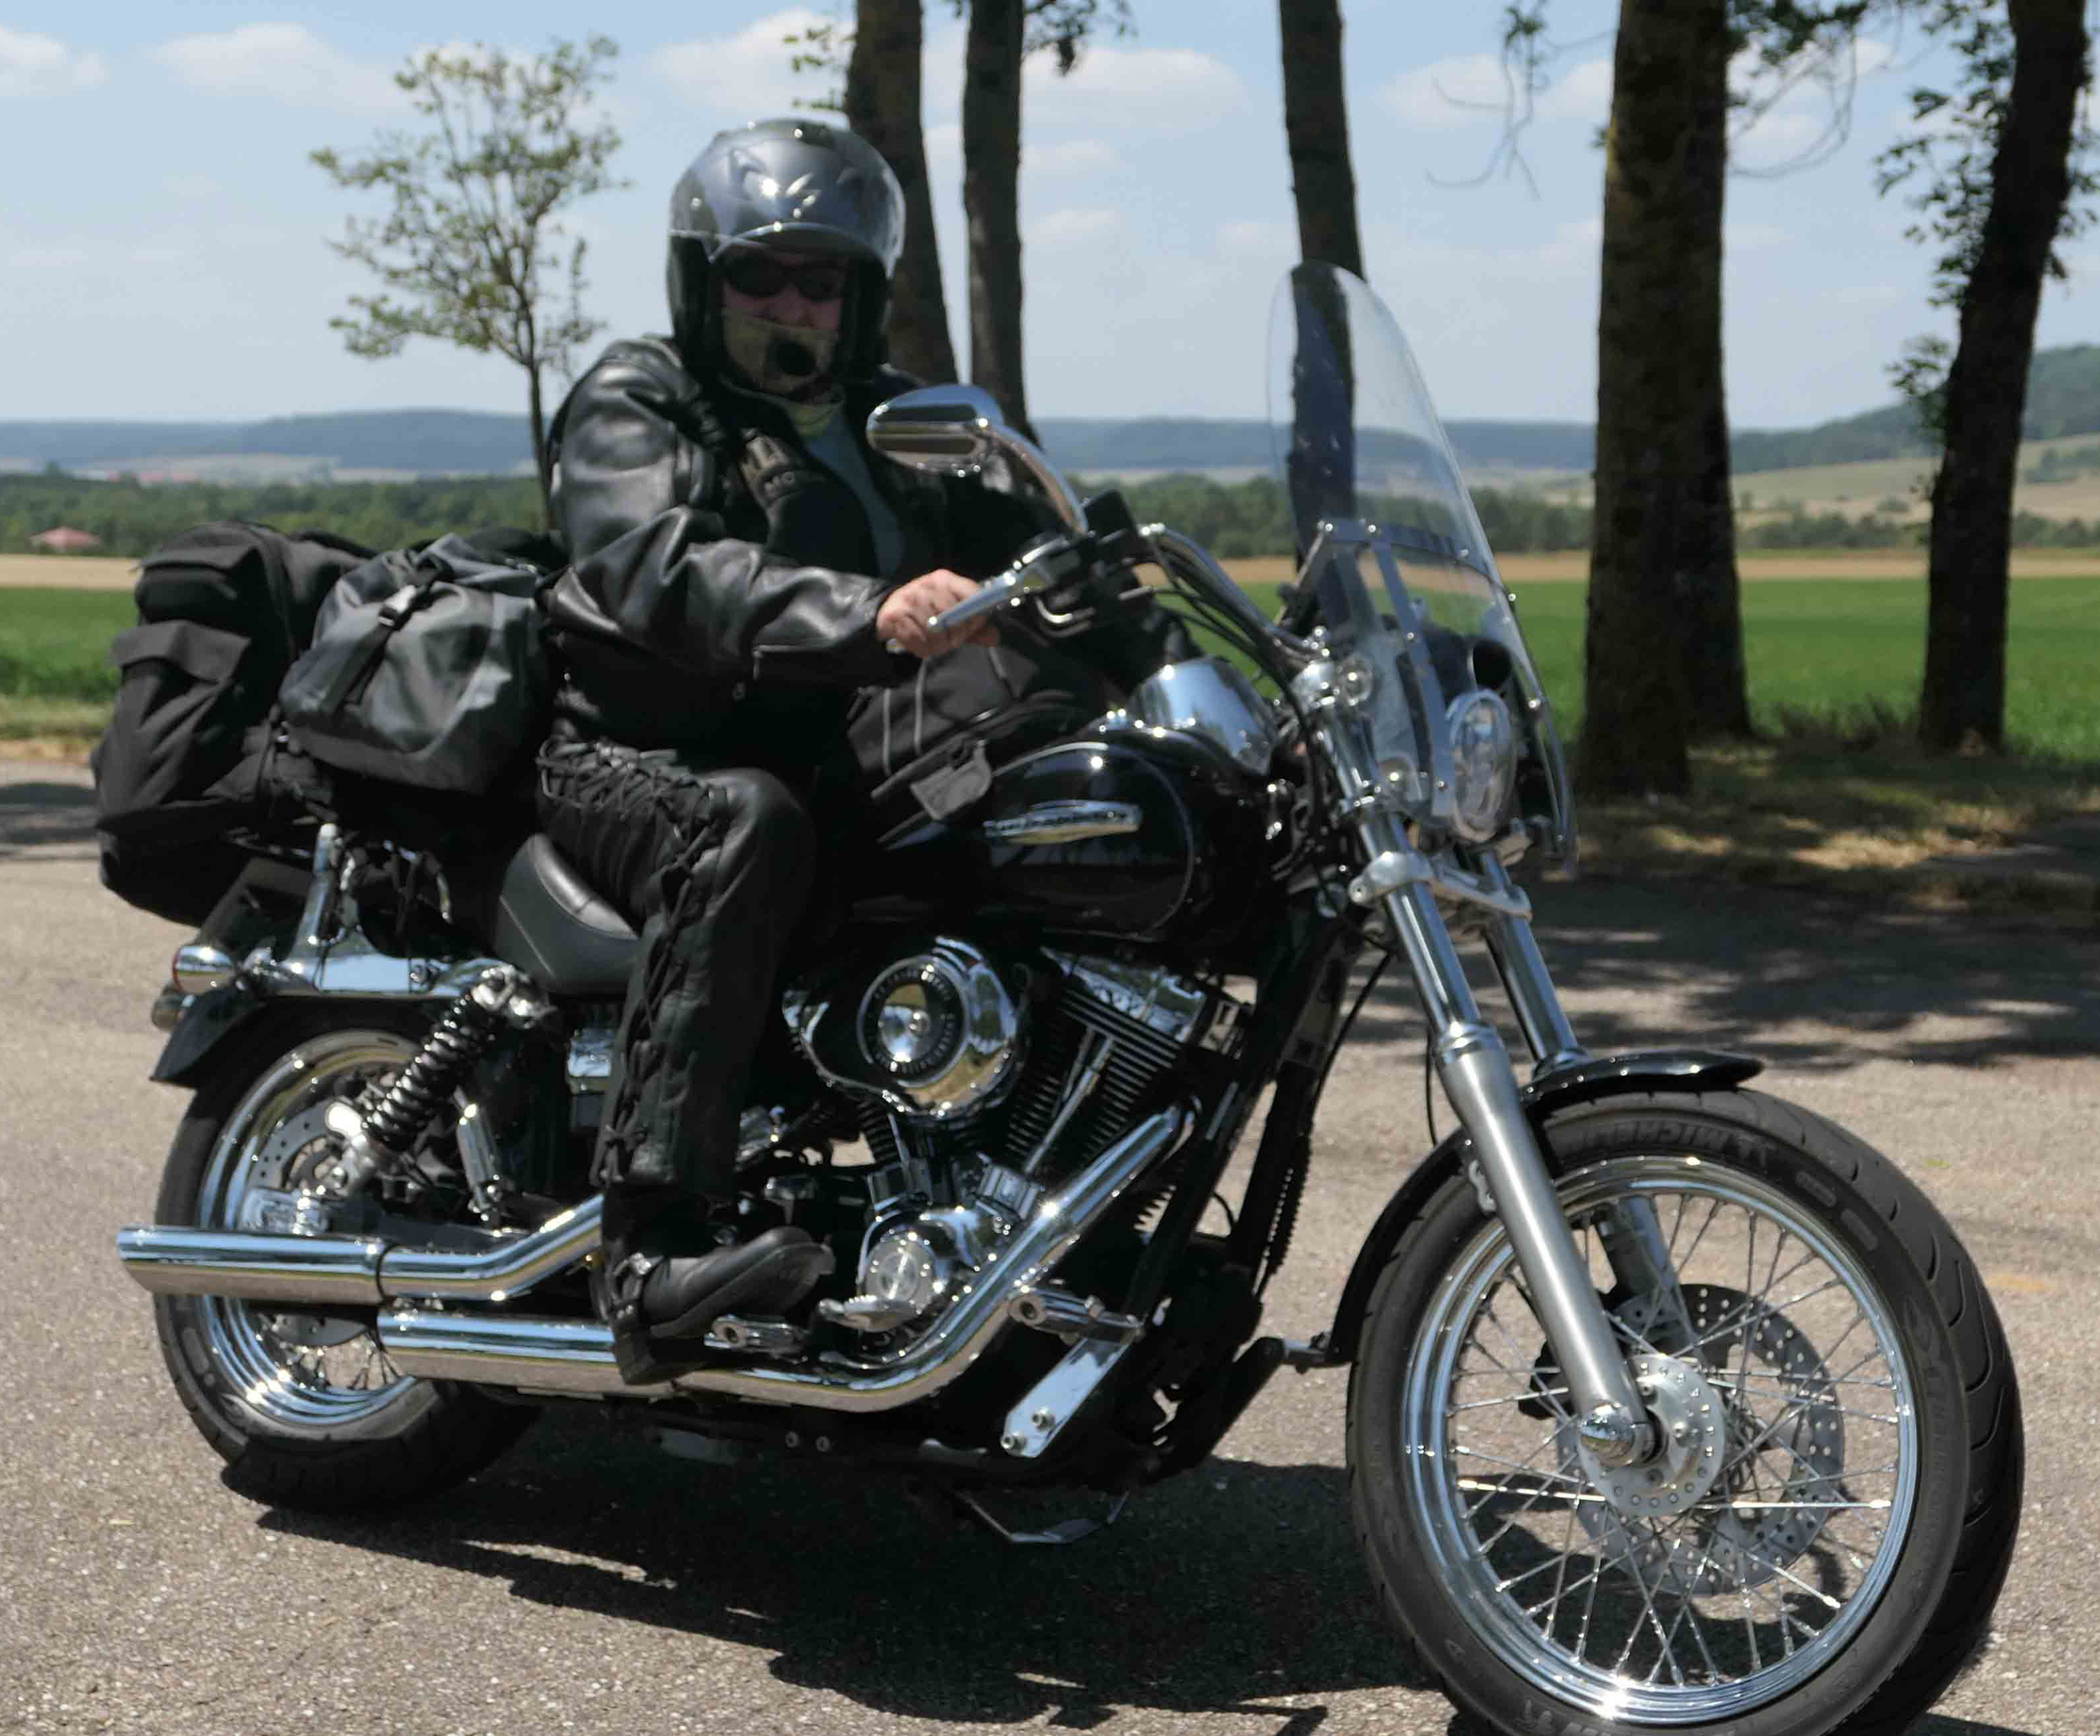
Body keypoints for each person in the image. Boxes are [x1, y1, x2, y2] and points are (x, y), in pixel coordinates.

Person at [536, 118, 1073, 1377]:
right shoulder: (640, 395)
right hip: (638, 755)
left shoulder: (897, 421)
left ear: (861, 294)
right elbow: (655, 564)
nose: (791, 304)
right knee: (746, 823)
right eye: (760, 275)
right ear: (703, 281)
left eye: (820, 280)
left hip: (836, 751)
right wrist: (865, 613)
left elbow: (1042, 553)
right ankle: (654, 1249)